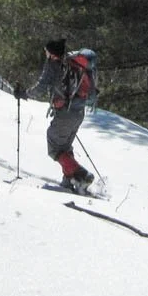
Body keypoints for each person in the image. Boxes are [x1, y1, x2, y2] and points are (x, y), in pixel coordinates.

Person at [18, 38, 95, 192]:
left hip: (65, 113)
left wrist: (23, 93)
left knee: (54, 148)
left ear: (52, 53)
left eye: (46, 50)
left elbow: (41, 87)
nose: (45, 53)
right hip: (78, 112)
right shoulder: (71, 65)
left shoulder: (53, 66)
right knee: (65, 147)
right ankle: (69, 181)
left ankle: (82, 175)